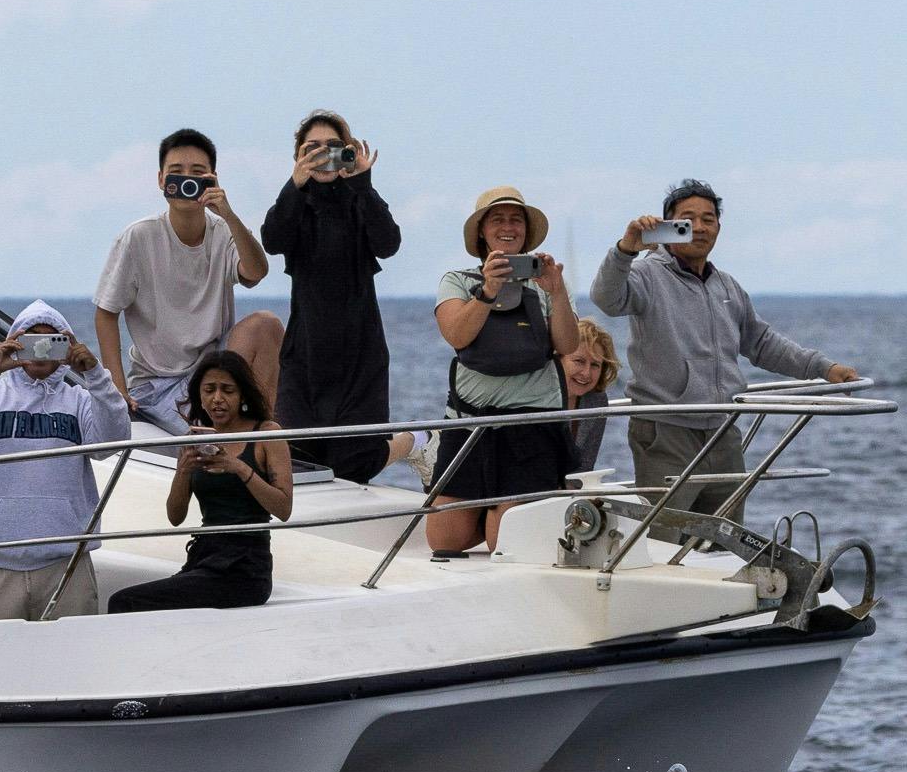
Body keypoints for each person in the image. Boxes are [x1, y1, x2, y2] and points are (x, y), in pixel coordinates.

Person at [591, 178, 858, 525]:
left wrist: (824, 368)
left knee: (725, 542)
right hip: (666, 433)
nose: (699, 228)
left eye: (709, 219)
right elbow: (606, 299)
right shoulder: (645, 274)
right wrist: (625, 249)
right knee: (664, 542)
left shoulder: (726, 285)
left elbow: (761, 343)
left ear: (719, 226)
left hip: (723, 429)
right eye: (688, 219)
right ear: (667, 226)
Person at [258, 110, 433, 484]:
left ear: (349, 152)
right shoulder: (295, 206)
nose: (323, 155)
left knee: (356, 464)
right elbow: (272, 239)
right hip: (305, 354)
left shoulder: (360, 199)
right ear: (299, 159)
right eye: (312, 148)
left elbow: (388, 243)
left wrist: (364, 184)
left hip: (360, 354)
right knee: (297, 459)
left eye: (333, 147)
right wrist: (294, 184)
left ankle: (415, 440)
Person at [0, 301, 131, 621]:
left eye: (51, 340)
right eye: (30, 339)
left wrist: (95, 374)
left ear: (66, 345)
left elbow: (112, 441)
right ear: (14, 341)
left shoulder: (78, 399)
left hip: (67, 561)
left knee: (71, 662)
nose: (39, 349)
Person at [93, 128, 282, 434]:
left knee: (266, 324)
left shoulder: (223, 230)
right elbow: (105, 312)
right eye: (176, 173)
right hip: (158, 385)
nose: (186, 181)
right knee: (201, 439)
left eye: (197, 173)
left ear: (213, 179)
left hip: (212, 374)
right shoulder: (139, 237)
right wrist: (116, 389)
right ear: (160, 180)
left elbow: (256, 272)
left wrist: (229, 214)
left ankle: (258, 433)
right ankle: (233, 437)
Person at [425, 187, 582, 555]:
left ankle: (507, 508)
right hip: (468, 422)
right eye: (498, 219)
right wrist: (488, 289)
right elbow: (457, 335)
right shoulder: (458, 280)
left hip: (531, 425)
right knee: (445, 541)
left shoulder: (547, 283)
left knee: (506, 541)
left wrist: (557, 293)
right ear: (481, 230)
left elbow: (568, 345)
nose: (508, 226)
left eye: (516, 219)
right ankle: (495, 507)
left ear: (527, 231)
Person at [107, 351, 292, 612]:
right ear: (200, 397)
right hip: (203, 558)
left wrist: (238, 467)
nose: (217, 398)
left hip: (245, 565)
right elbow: (175, 516)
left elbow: (283, 508)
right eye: (209, 390)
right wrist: (183, 471)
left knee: (124, 602)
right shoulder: (195, 439)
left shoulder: (266, 434)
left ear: (242, 395)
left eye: (227, 390)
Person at [562, 316, 620, 474]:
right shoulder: (534, 395)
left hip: (564, 493)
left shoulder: (596, 400)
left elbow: (585, 467)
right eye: (579, 361)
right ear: (560, 358)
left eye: (595, 365)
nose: (586, 373)